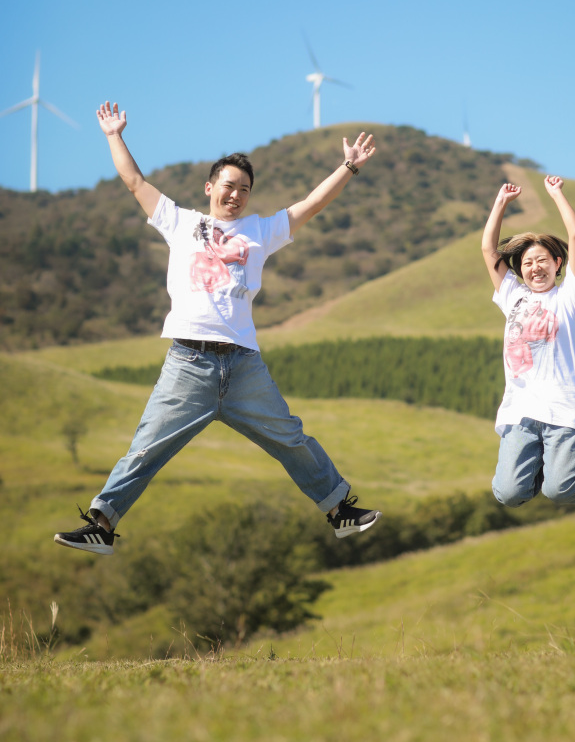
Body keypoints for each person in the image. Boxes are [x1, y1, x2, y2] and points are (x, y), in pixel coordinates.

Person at [54, 101, 381, 555]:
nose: (236, 195)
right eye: (228, 186)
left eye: (245, 189)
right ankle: (101, 524)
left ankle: (339, 510)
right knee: (147, 448)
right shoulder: (181, 222)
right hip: (189, 363)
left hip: (243, 366)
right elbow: (134, 182)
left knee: (291, 437)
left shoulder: (261, 231)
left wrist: (348, 167)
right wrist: (114, 135)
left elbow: (314, 203)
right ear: (210, 187)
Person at [481, 175, 575, 517]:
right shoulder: (512, 296)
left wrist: (556, 194)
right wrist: (501, 203)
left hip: (564, 410)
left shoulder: (570, 299)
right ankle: (554, 463)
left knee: (560, 489)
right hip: (520, 412)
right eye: (528, 263)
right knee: (508, 492)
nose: (535, 267)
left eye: (543, 260)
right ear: (519, 270)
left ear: (558, 264)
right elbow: (489, 250)